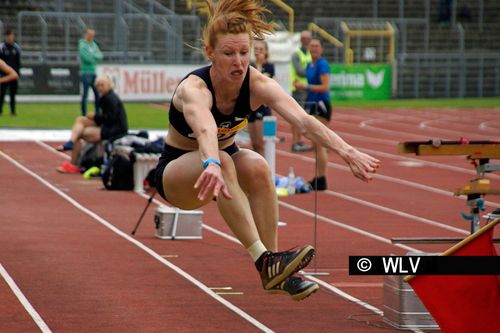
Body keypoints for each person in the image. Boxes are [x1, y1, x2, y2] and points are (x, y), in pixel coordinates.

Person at [154, 0, 380, 301]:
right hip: (179, 173)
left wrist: (347, 151)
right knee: (223, 158)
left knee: (259, 166)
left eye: (244, 53)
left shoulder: (258, 84)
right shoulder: (194, 89)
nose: (238, 62)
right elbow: (206, 127)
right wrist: (209, 161)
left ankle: (273, 267)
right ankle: (264, 259)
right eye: (228, 53)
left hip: (222, 164)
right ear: (210, 53)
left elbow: (304, 119)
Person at [56, 75, 128, 173]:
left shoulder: (111, 99)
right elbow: (105, 118)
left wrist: (95, 116)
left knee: (80, 134)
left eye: (102, 85)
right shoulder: (105, 97)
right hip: (109, 126)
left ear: (108, 85)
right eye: (98, 86)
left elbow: (111, 118)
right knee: (80, 120)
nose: (99, 88)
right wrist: (94, 117)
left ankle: (73, 164)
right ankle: (71, 142)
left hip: (114, 130)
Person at [294, 39, 332, 191]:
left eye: (317, 46)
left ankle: (322, 179)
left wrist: (305, 86)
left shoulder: (323, 65)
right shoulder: (310, 65)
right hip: (312, 104)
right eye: (312, 46)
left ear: (321, 49)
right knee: (316, 144)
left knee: (320, 143)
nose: (314, 49)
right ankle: (318, 177)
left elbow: (325, 87)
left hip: (321, 105)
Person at [248, 40, 275, 156]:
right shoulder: (250, 66)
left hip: (263, 109)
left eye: (261, 50)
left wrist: (259, 65)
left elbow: (260, 84)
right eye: (256, 49)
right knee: (254, 143)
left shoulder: (269, 66)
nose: (258, 52)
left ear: (266, 52)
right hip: (251, 107)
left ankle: (264, 169)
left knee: (260, 143)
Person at [290, 31, 313, 152]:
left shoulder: (310, 54)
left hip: (308, 88)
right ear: (300, 40)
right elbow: (299, 71)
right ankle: (295, 142)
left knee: (305, 116)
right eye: (304, 38)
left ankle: (299, 141)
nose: (306, 41)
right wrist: (314, 73)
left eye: (308, 39)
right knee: (297, 116)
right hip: (298, 89)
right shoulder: (296, 54)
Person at [79, 28, 103, 116]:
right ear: (86, 35)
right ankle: (84, 113)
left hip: (93, 72)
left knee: (97, 94)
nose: (92, 37)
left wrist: (92, 56)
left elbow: (100, 55)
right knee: (85, 95)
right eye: (90, 35)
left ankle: (98, 113)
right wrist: (94, 57)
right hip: (85, 73)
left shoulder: (93, 44)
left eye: (93, 35)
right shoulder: (82, 45)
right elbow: (86, 58)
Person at [0, 30, 21, 116]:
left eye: (11, 36)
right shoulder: (2, 47)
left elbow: (15, 71)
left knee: (12, 95)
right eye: (8, 36)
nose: (9, 38)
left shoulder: (16, 48)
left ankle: (13, 111)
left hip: (8, 75)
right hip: (3, 74)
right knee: (2, 95)